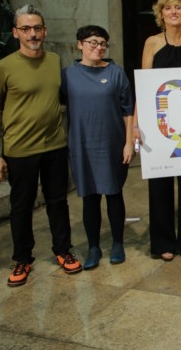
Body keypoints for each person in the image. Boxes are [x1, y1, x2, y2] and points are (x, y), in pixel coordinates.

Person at [0, 4, 83, 286]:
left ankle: (63, 250)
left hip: (54, 146)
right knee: (21, 207)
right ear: (15, 32)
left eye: (37, 27)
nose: (33, 34)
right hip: (20, 150)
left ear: (45, 31)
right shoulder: (2, 68)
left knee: (58, 202)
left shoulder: (54, 60)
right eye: (26, 28)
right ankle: (22, 259)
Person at [137, 0, 181, 261]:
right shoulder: (152, 43)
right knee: (159, 183)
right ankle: (163, 241)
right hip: (159, 123)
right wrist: (137, 124)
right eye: (168, 8)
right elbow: (144, 86)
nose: (174, 12)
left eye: (178, 7)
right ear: (161, 14)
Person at [62, 25, 135, 269]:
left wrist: (128, 142)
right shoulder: (68, 75)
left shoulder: (116, 72)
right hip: (82, 144)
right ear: (79, 44)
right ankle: (93, 247)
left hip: (112, 143)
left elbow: (128, 110)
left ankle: (117, 243)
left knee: (114, 193)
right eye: (92, 42)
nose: (98, 47)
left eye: (103, 43)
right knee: (90, 197)